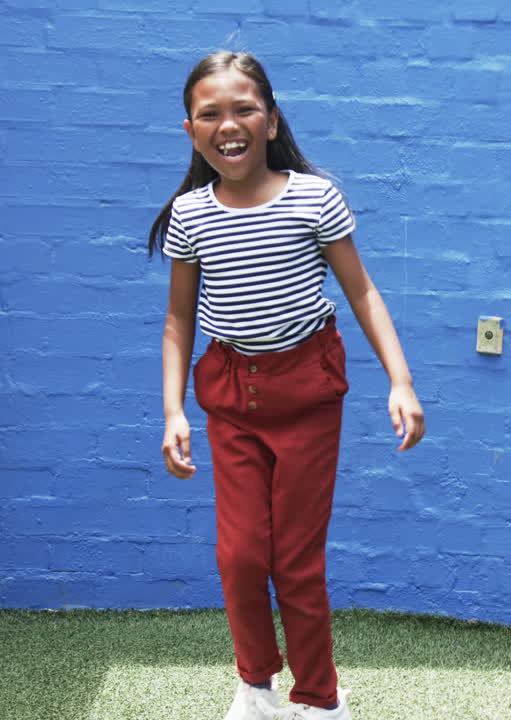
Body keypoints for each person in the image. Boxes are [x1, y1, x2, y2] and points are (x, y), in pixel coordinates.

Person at [147, 51, 425, 720]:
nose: (229, 124)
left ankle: (321, 700)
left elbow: (360, 290)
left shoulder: (314, 196)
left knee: (295, 561)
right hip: (232, 397)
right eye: (210, 114)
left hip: (307, 393)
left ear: (271, 121)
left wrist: (401, 381)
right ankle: (255, 687)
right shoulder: (191, 214)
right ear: (191, 130)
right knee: (242, 555)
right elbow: (179, 320)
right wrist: (172, 410)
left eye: (244, 109)